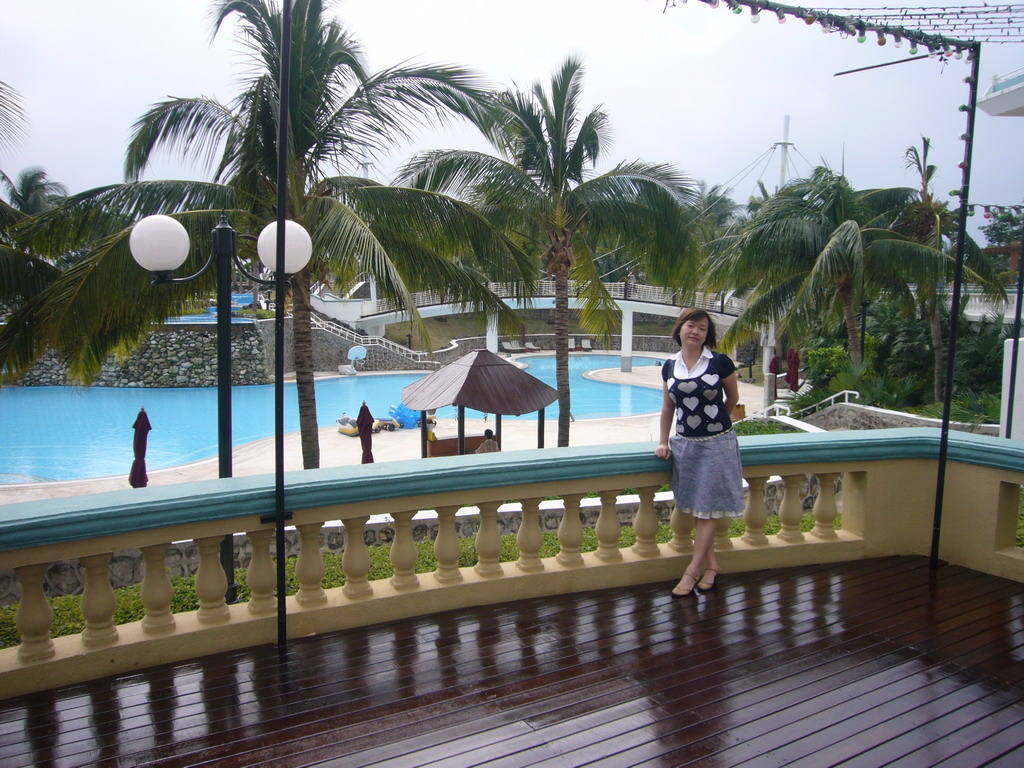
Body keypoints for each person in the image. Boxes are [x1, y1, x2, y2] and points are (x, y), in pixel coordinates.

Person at [655, 308, 744, 597]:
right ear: (680, 329)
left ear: (707, 335)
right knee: (697, 507)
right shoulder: (669, 366)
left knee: (706, 509)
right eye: (691, 326)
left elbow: (733, 398)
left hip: (717, 444)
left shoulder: (719, 362)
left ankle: (692, 571)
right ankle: (713, 565)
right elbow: (668, 407)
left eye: (702, 329)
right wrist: (664, 441)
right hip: (685, 445)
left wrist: (716, 424)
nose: (695, 332)